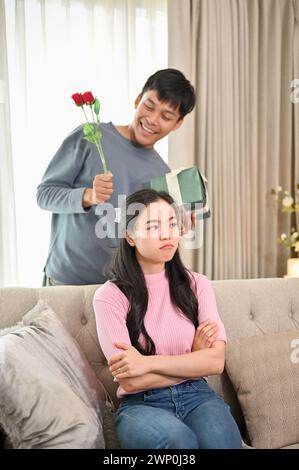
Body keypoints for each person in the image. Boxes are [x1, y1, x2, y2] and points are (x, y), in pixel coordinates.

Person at [93, 188, 242, 449]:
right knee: (177, 441)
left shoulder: (197, 285)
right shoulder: (110, 296)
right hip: (141, 404)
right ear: (129, 236)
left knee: (222, 442)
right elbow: (131, 380)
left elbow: (215, 362)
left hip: (198, 396)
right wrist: (193, 360)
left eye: (172, 223)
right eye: (152, 226)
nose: (167, 234)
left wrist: (147, 364)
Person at [37, 69, 196, 285]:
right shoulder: (91, 136)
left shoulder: (162, 174)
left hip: (121, 290)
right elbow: (44, 195)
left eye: (166, 116)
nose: (152, 119)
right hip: (65, 281)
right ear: (137, 100)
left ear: (177, 124)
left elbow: (147, 237)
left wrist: (177, 227)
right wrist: (88, 196)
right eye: (149, 106)